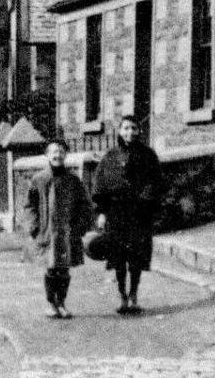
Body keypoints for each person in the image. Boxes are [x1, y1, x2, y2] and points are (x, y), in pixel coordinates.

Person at [91, 115, 163, 315]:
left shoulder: (148, 155)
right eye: (125, 128)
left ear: (138, 131)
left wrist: (144, 202)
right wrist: (102, 212)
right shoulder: (110, 157)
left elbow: (155, 181)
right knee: (119, 258)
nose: (129, 132)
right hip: (116, 214)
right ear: (119, 131)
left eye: (133, 128)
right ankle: (122, 297)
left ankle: (134, 296)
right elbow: (100, 185)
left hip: (139, 213)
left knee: (136, 257)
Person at [24, 140, 92, 320]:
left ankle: (61, 302)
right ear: (47, 155)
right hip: (46, 231)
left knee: (64, 269)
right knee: (50, 268)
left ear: (66, 155)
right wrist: (33, 226)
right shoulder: (39, 179)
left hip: (67, 232)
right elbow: (30, 205)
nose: (57, 155)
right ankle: (51, 304)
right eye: (54, 152)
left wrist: (80, 227)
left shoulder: (73, 180)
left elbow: (84, 205)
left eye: (61, 152)